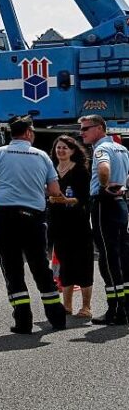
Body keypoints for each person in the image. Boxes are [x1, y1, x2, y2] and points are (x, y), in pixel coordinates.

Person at [0, 116, 67, 334]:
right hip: (34, 218)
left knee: (12, 268)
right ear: (29, 133)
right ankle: (56, 317)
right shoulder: (42, 156)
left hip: (5, 217)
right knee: (40, 266)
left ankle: (23, 321)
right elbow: (55, 191)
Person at [79, 114, 129, 325]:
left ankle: (116, 309)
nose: (82, 133)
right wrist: (123, 188)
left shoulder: (101, 149)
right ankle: (126, 306)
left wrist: (103, 187)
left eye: (85, 129)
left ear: (99, 128)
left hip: (104, 204)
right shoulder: (122, 148)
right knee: (123, 255)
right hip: (121, 203)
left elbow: (103, 168)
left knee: (108, 258)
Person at [47, 136, 93, 318]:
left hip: (79, 223)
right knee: (65, 264)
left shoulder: (81, 171)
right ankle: (67, 306)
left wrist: (68, 200)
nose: (61, 151)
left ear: (73, 150)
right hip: (58, 224)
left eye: (65, 148)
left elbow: (84, 198)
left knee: (83, 264)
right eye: (58, 148)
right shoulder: (51, 170)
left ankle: (86, 306)